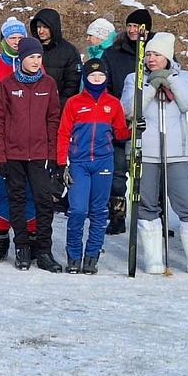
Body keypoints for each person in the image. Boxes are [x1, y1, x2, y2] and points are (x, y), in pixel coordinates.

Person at [122, 32, 188, 277]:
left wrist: (170, 81)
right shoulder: (135, 78)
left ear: (167, 56)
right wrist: (152, 87)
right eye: (149, 54)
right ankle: (153, 259)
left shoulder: (183, 76)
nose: (151, 59)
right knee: (147, 205)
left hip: (177, 153)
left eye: (157, 54)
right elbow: (129, 110)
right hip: (146, 153)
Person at [0, 37, 63, 272]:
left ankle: (43, 250)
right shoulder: (7, 84)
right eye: (31, 56)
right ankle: (21, 247)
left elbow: (53, 120)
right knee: (18, 200)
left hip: (40, 154)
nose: (35, 61)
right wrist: (0, 156)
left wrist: (53, 154)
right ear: (21, 58)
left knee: (44, 201)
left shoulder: (48, 84)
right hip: (13, 154)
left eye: (38, 57)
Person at [58, 58, 128, 274]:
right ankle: (74, 255)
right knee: (78, 210)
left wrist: (134, 128)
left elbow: (120, 133)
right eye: (92, 76)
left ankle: (92, 255)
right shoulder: (74, 103)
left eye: (100, 76)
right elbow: (63, 134)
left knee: (99, 212)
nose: (96, 79)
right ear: (85, 78)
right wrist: (62, 163)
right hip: (79, 163)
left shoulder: (113, 103)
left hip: (103, 162)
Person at [0, 17, 37, 261]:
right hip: (2, 135)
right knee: (2, 186)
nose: (16, 41)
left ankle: (29, 237)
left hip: (29, 137)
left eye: (19, 37)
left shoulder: (35, 63)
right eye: (11, 37)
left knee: (30, 188)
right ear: (3, 39)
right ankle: (0, 237)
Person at [101, 9, 152, 235]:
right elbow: (106, 86)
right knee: (118, 173)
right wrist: (115, 113)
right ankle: (117, 216)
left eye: (137, 26)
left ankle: (154, 216)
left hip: (150, 123)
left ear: (147, 30)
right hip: (120, 122)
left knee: (149, 172)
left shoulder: (156, 53)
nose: (132, 30)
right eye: (129, 25)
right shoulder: (113, 54)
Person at [30, 8, 81, 105]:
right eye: (38, 27)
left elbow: (72, 84)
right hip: (33, 106)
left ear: (53, 27)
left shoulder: (69, 51)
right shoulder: (31, 49)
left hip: (59, 107)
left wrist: (58, 105)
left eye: (45, 27)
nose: (41, 31)